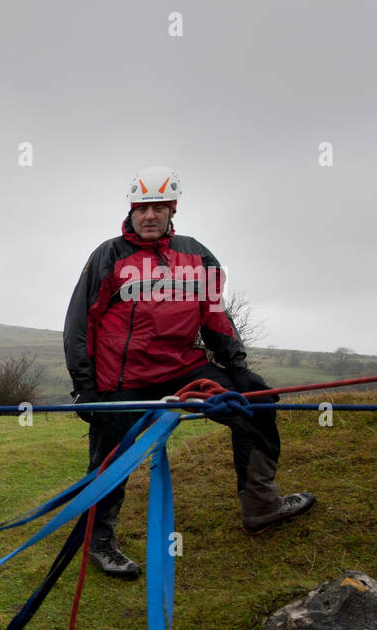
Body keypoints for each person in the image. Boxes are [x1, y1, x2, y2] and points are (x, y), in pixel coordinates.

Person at [63, 166, 314, 580]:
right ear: (131, 210)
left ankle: (262, 506)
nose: (149, 216)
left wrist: (236, 364)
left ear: (172, 209)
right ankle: (100, 541)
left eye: (158, 208)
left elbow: (214, 313)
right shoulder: (108, 255)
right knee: (111, 456)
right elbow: (79, 323)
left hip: (183, 368)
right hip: (122, 379)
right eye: (142, 208)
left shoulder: (196, 254)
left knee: (256, 405)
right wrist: (85, 386)